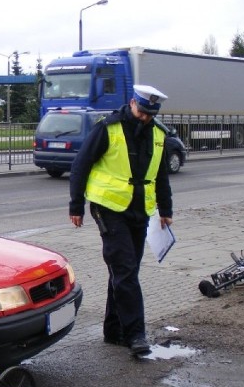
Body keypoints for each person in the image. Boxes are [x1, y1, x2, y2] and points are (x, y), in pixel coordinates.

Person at [68, 85, 174, 357]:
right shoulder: (108, 128)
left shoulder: (159, 134)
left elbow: (161, 175)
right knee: (125, 269)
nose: (145, 119)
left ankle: (113, 330)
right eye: (142, 112)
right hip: (108, 208)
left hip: (139, 210)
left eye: (151, 115)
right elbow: (81, 164)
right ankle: (135, 334)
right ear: (132, 103)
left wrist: (165, 208)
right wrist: (76, 205)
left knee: (125, 271)